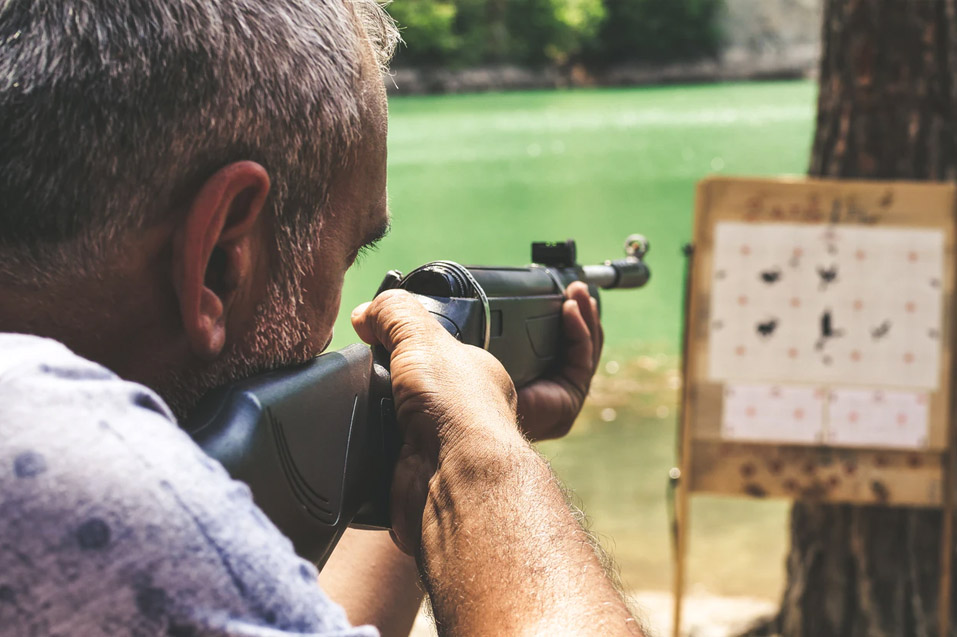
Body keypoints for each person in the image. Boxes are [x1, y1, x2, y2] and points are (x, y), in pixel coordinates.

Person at [0, 1, 644, 635]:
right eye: (349, 254)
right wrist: (486, 461)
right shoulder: (101, 489)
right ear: (224, 258)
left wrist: (423, 446)